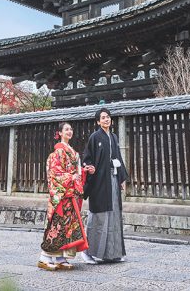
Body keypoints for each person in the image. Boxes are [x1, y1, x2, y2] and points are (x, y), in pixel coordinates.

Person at [80, 107, 128, 264]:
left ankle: (112, 253)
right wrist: (89, 166)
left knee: (113, 216)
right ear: (98, 121)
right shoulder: (95, 137)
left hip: (112, 180)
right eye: (103, 117)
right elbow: (87, 158)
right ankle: (88, 252)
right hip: (99, 182)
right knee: (99, 217)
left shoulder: (113, 137)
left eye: (108, 117)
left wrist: (121, 178)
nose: (106, 119)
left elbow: (118, 158)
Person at [38, 121, 88, 271]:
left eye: (71, 129)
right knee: (56, 225)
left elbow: (75, 172)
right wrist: (70, 178)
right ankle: (44, 257)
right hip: (62, 194)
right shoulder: (58, 152)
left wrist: (83, 171)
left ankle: (60, 258)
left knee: (66, 227)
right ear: (59, 133)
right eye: (66, 129)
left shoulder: (72, 151)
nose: (69, 131)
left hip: (70, 194)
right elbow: (54, 173)